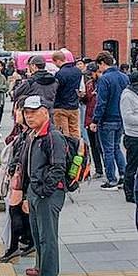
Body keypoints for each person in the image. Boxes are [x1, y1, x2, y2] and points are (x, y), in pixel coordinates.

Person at [21, 95, 67, 276]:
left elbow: (58, 167)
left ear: (44, 112)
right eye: (26, 113)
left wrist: (43, 192)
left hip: (47, 194)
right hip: (36, 192)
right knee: (40, 237)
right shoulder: (34, 134)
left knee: (47, 238)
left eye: (33, 113)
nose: (29, 117)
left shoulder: (52, 136)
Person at [0, 107, 34, 262]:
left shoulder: (29, 136)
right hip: (21, 180)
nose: (16, 112)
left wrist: (13, 172)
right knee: (21, 212)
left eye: (20, 110)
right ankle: (27, 241)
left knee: (15, 212)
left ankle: (14, 247)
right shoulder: (24, 133)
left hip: (22, 181)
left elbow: (20, 159)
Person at [92, 51, 129, 189]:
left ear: (102, 63)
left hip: (107, 118)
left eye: (98, 65)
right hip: (121, 117)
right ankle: (123, 175)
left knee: (108, 150)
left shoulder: (104, 79)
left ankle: (111, 179)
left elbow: (101, 102)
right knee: (117, 147)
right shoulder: (124, 77)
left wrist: (95, 120)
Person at [52, 50, 83, 137]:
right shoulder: (78, 71)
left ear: (57, 60)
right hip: (74, 106)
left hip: (61, 106)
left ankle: (66, 150)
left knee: (63, 134)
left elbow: (56, 89)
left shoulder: (60, 74)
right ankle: (76, 150)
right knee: (75, 133)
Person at [121, 72, 138, 204]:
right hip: (132, 136)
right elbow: (127, 117)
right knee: (131, 166)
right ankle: (129, 193)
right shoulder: (127, 95)